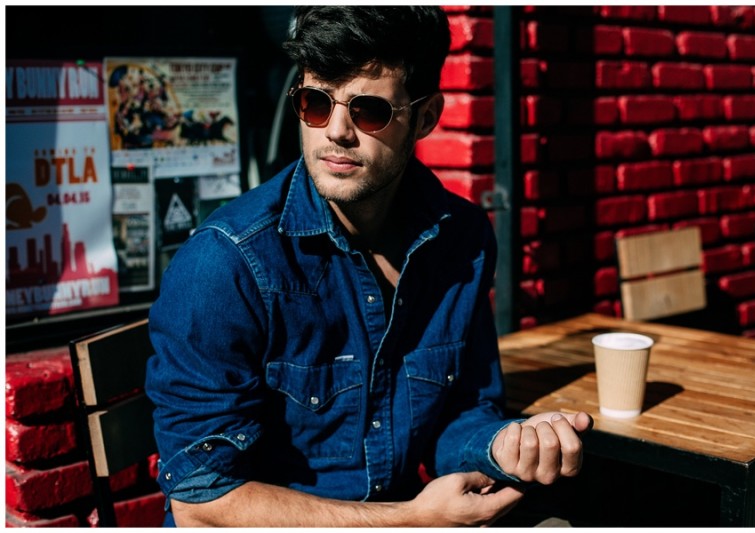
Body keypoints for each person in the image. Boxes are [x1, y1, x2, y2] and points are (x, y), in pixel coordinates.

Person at [145, 6, 593, 527]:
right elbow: (201, 503)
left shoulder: (461, 239)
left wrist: (505, 444)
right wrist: (410, 519)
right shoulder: (225, 262)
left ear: (425, 118)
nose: (335, 131)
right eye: (314, 103)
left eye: (369, 111)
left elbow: (463, 411)